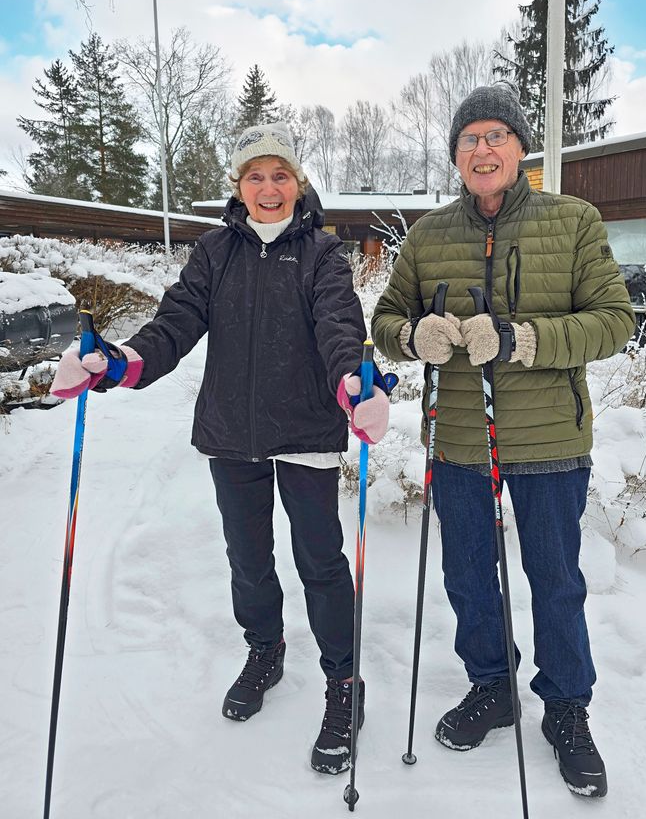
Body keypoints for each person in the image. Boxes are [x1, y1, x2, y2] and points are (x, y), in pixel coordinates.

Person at [51, 122, 393, 776]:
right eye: (255, 175)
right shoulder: (214, 252)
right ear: (238, 185)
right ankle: (265, 649)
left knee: (320, 562)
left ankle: (344, 684)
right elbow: (175, 323)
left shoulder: (322, 253)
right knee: (247, 557)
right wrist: (120, 363)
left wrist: (353, 382)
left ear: (299, 183)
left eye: (281, 175)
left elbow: (338, 323)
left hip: (305, 431)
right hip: (231, 433)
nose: (268, 188)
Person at [371, 82, 634, 799]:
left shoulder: (573, 221)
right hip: (458, 438)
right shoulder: (427, 235)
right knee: (466, 578)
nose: (482, 150)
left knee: (555, 581)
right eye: (468, 140)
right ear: (455, 156)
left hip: (550, 438)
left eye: (495, 136)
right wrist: (409, 335)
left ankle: (567, 708)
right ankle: (492, 686)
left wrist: (523, 340)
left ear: (521, 148)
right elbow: (385, 318)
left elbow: (615, 320)